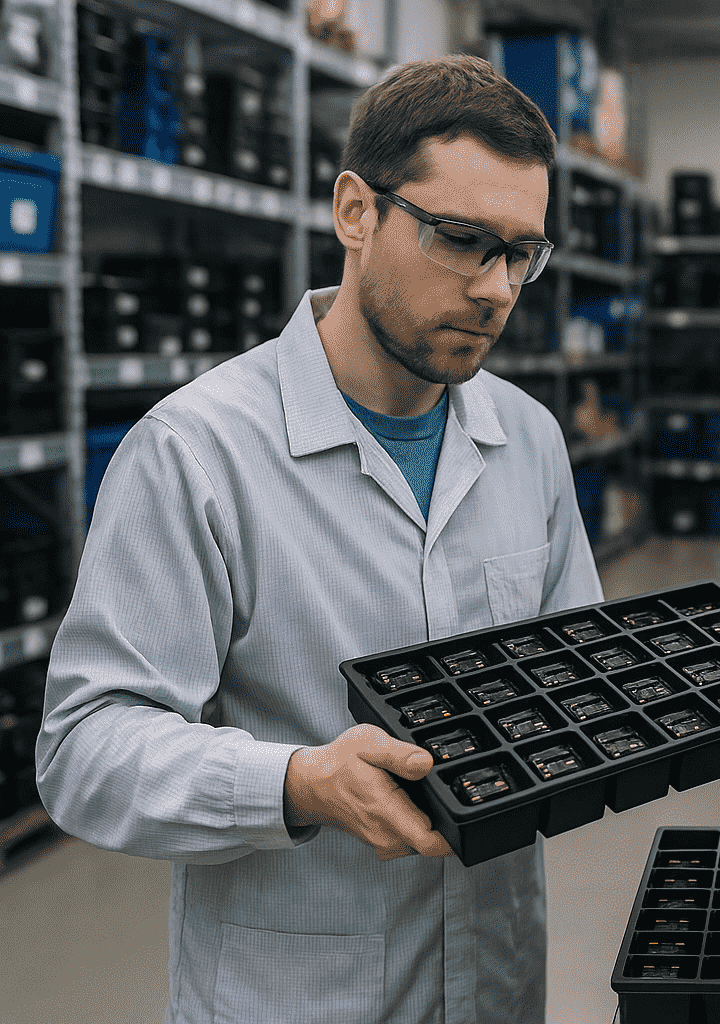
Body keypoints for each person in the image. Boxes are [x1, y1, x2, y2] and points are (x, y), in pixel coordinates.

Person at [35, 54, 600, 1024]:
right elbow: (84, 748)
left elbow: (576, 665)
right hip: (297, 996)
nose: (497, 290)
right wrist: (295, 782)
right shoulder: (197, 454)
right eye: (462, 240)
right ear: (354, 211)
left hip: (497, 984)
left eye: (521, 253)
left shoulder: (530, 442)